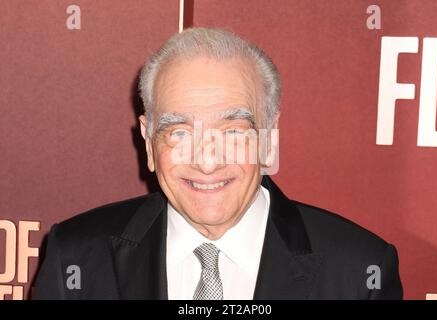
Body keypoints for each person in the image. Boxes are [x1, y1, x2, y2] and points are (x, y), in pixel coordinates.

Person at [34, 28, 402, 299]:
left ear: (269, 137)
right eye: (178, 131)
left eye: (233, 131)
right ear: (148, 141)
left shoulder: (359, 272)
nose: (206, 161)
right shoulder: (76, 256)